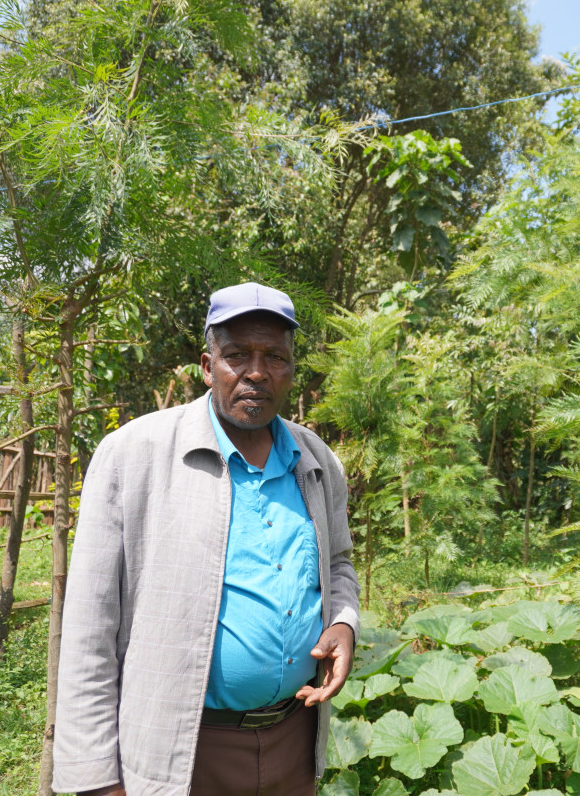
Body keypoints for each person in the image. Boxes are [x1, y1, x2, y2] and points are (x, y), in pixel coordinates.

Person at [52, 282, 360, 796]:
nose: (256, 372)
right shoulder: (134, 455)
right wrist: (97, 780)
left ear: (290, 370)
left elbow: (339, 563)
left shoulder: (316, 461)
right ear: (206, 364)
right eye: (237, 354)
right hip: (181, 755)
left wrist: (345, 624)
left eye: (274, 357)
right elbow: (89, 627)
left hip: (293, 742)